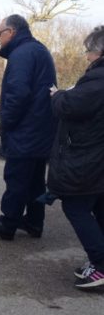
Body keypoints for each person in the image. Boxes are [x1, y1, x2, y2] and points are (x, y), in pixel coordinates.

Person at [0, 14, 57, 240]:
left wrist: (7, 124)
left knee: (17, 177)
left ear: (11, 32)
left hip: (26, 130)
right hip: (40, 129)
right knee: (34, 180)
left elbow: (18, 94)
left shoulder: (21, 55)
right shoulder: (39, 50)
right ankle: (34, 222)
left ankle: (8, 222)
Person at [47, 26, 104, 289]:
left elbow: (69, 107)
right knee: (98, 207)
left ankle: (101, 266)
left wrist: (58, 95)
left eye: (88, 52)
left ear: (99, 52)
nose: (86, 57)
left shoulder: (98, 80)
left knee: (76, 207)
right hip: (96, 157)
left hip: (88, 157)